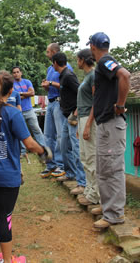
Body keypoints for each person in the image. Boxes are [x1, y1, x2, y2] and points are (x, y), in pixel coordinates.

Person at [0, 71, 52, 263]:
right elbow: (30, 144)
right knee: (4, 217)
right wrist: (44, 152)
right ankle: (8, 261)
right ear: (10, 91)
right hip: (7, 177)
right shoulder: (12, 113)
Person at [87, 32, 130, 228]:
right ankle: (108, 208)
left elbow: (125, 75)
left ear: (92, 47)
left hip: (112, 123)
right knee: (104, 167)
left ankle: (114, 214)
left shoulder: (105, 61)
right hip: (106, 123)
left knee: (112, 169)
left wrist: (120, 105)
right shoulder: (104, 64)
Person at [52, 53, 86, 194]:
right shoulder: (63, 76)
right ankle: (70, 173)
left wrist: (76, 113)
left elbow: (81, 93)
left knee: (76, 148)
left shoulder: (69, 76)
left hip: (73, 117)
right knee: (64, 146)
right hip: (67, 117)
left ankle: (82, 183)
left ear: (55, 63)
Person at [40, 43, 73, 178]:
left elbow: (67, 86)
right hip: (51, 102)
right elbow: (51, 86)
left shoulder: (67, 68)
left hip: (60, 103)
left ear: (54, 52)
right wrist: (46, 86)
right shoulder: (50, 68)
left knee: (60, 136)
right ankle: (50, 164)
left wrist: (52, 84)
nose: (46, 54)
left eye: (48, 52)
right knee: (48, 135)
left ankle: (60, 164)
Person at [75, 49, 100, 206]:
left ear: (82, 60)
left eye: (77, 59)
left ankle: (95, 195)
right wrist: (80, 125)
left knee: (91, 157)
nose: (77, 62)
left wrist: (88, 125)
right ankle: (89, 190)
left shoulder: (93, 75)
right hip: (82, 119)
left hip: (89, 120)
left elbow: (96, 102)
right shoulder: (86, 77)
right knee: (84, 157)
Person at [12, 66, 46, 147]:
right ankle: (23, 151)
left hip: (29, 110)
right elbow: (14, 97)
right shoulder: (11, 84)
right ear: (12, 74)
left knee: (37, 129)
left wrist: (19, 94)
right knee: (20, 131)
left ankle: (44, 147)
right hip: (18, 111)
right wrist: (25, 94)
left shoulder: (27, 82)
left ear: (21, 73)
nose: (16, 74)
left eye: (17, 72)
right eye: (14, 72)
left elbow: (32, 93)